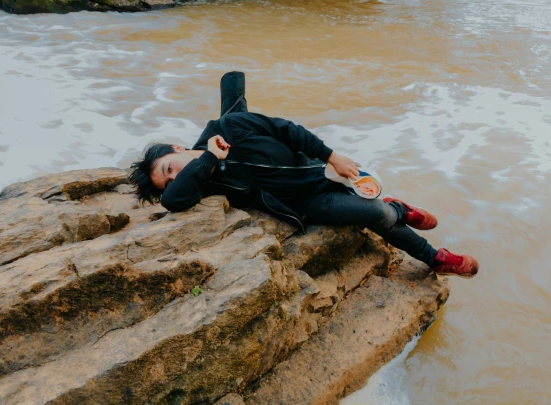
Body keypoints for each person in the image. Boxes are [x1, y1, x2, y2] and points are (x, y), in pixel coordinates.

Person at [129, 72, 478, 278]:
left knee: (370, 196)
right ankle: (429, 249)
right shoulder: (206, 178)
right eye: (170, 179)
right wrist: (207, 158)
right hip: (307, 202)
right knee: (377, 214)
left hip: (324, 171)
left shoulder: (231, 127)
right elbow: (175, 201)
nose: (177, 177)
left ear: (177, 147)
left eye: (169, 169)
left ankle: (412, 228)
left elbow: (290, 131)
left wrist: (333, 156)